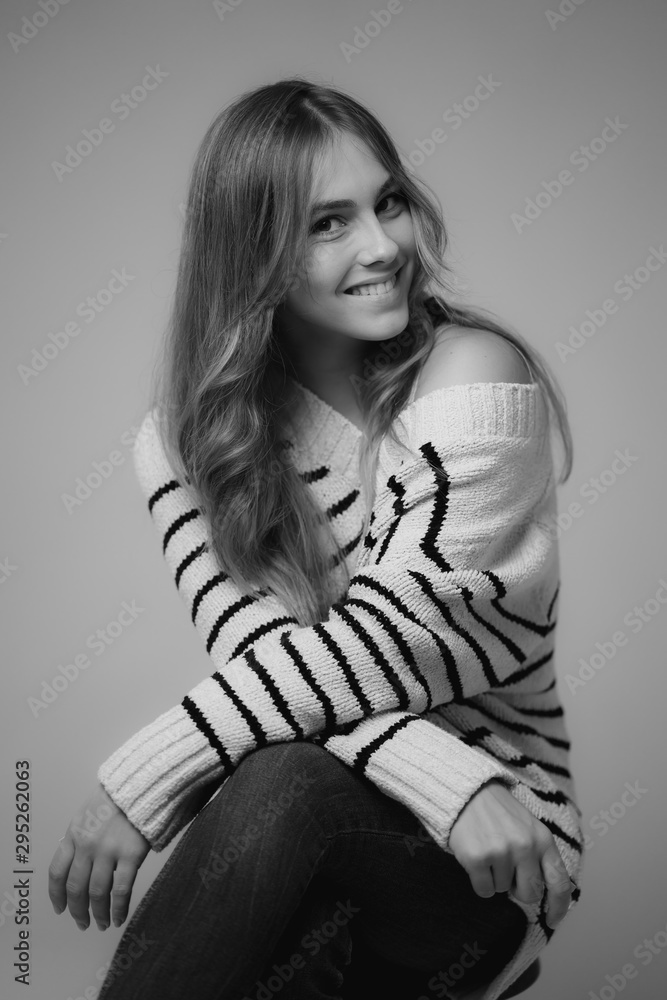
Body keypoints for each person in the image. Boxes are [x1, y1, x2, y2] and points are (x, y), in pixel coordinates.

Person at [48, 77, 584, 1000]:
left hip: (498, 852)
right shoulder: (186, 442)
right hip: (417, 806)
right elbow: (264, 662)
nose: (382, 246)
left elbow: (395, 642)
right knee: (281, 787)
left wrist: (142, 783)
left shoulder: (470, 377)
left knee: (280, 780)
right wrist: (443, 777)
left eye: (388, 203)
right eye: (328, 223)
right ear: (251, 251)